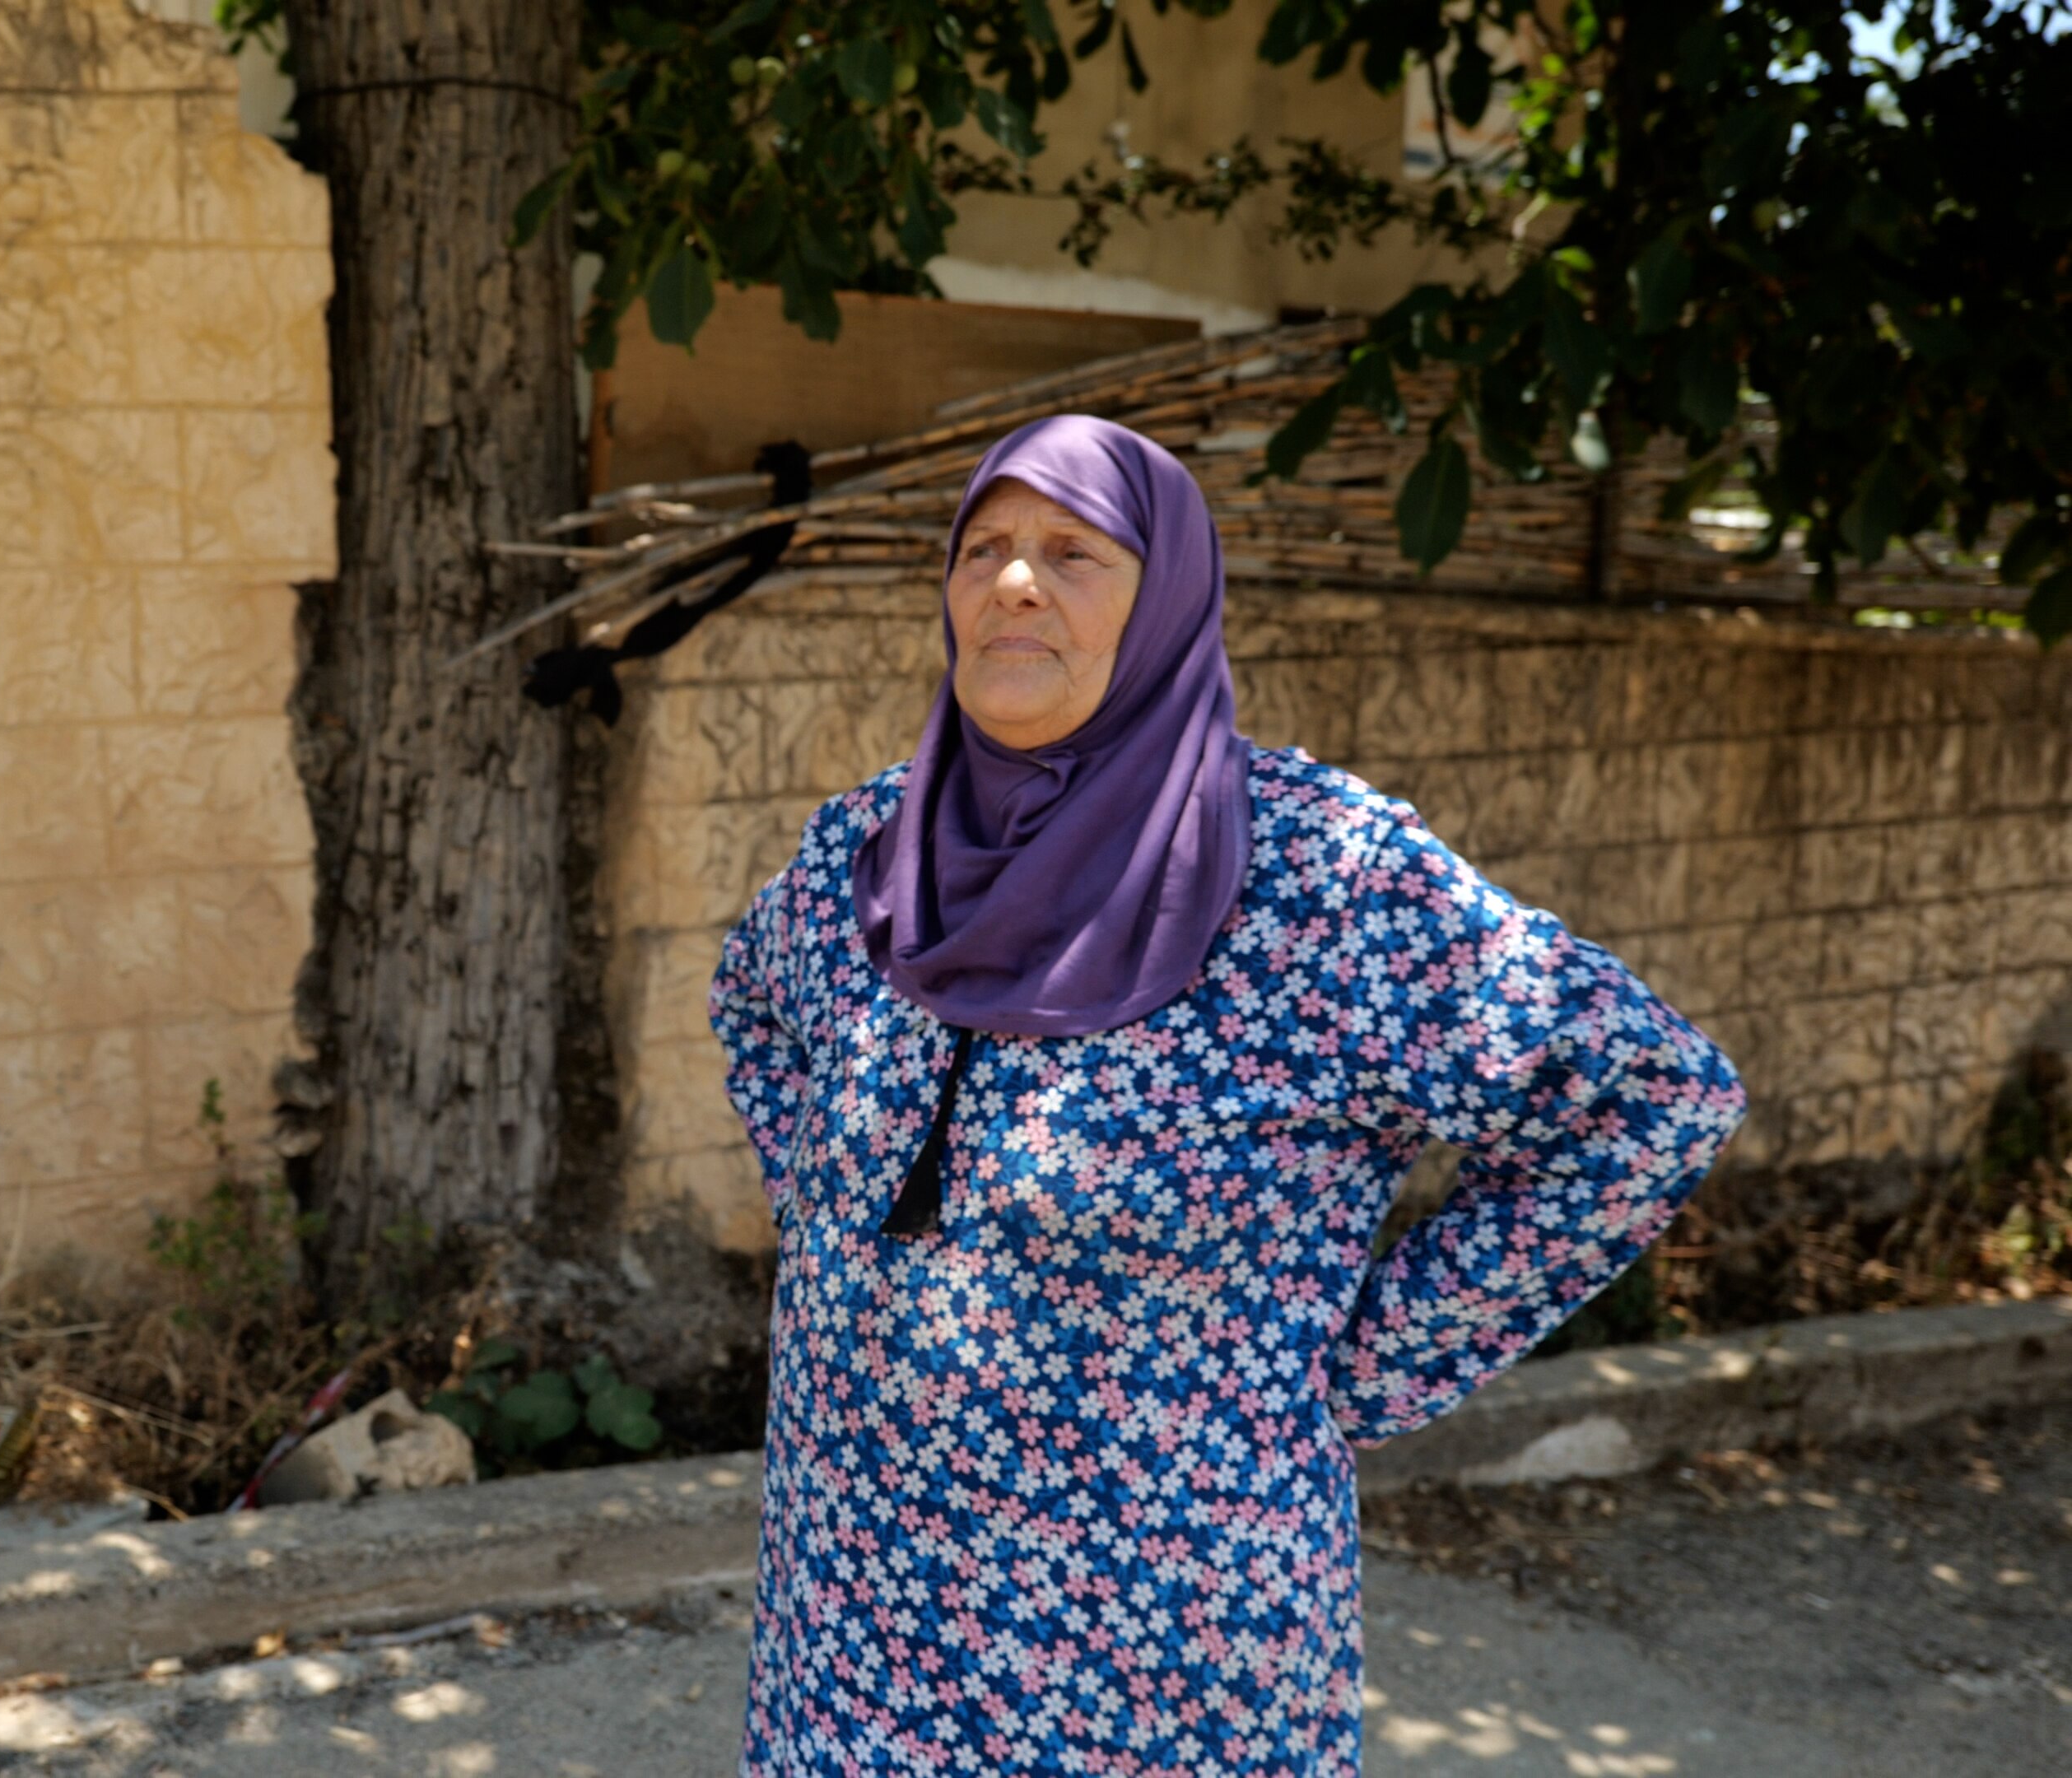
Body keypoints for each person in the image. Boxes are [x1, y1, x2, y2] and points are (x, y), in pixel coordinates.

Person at [709, 414, 1744, 1776]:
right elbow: (752, 1007)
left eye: (1073, 552)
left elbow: (1649, 1102)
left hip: (1158, 1658)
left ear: (1169, 597)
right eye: (984, 549)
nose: (1012, 584)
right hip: (847, 1632)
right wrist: (840, 1227)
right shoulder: (869, 849)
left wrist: (1350, 1372)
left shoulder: (1321, 879)